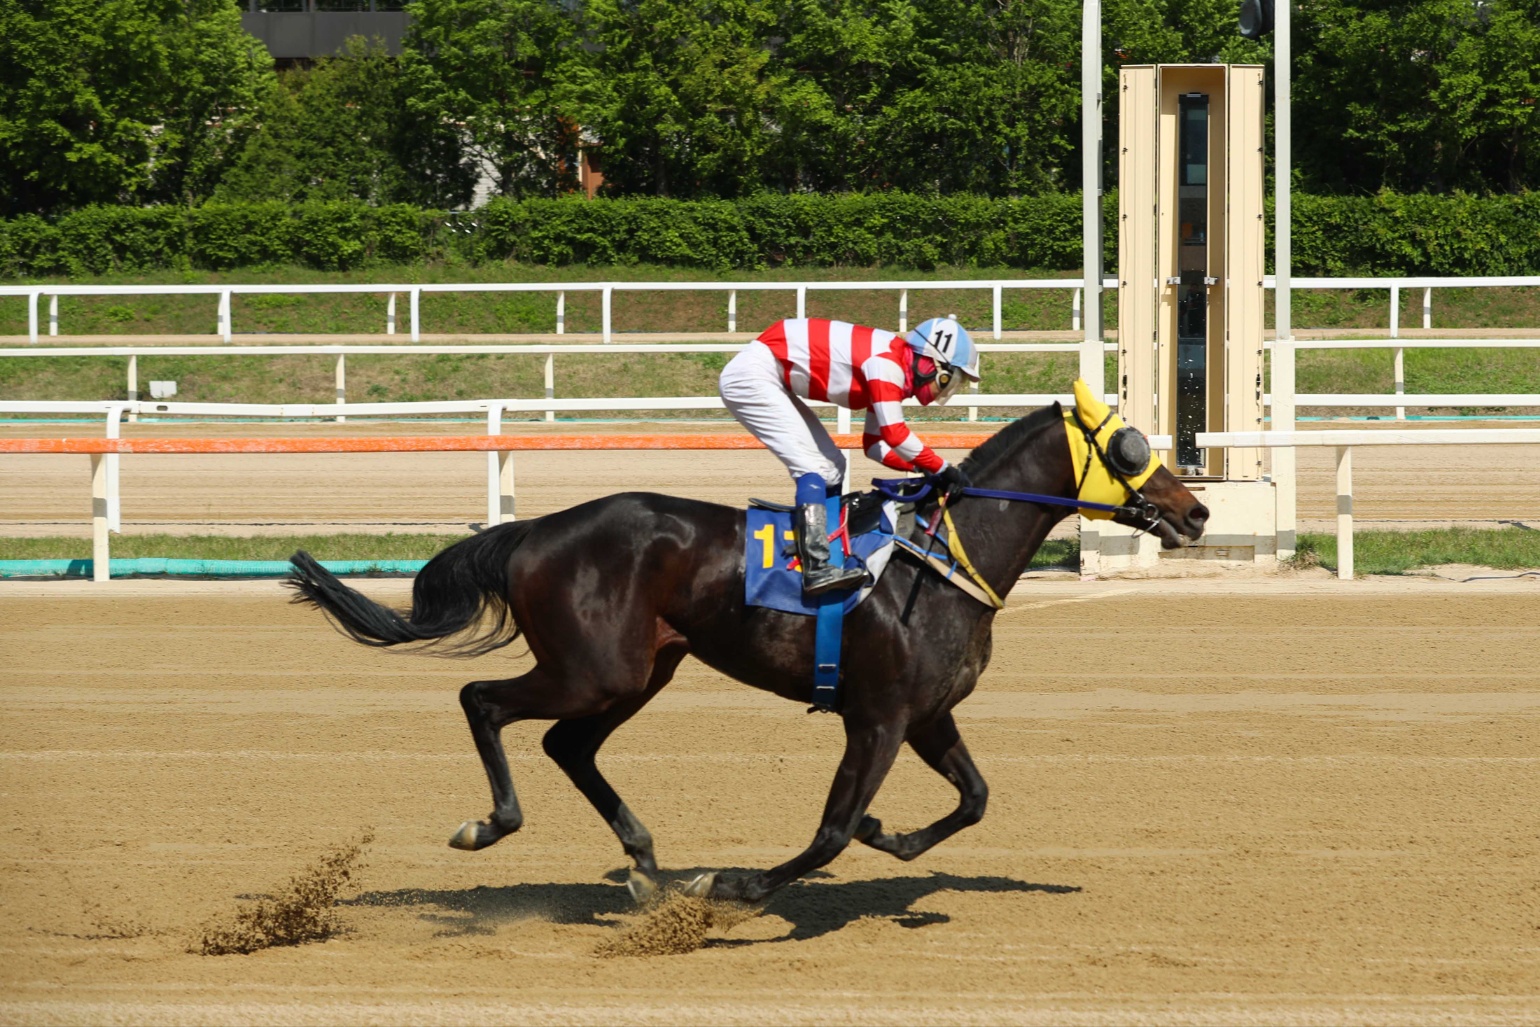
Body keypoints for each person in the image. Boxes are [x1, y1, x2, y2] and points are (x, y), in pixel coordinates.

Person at [719, 315, 981, 598]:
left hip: (768, 372)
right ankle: (816, 567)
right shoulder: (887, 364)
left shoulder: (895, 366)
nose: (947, 388)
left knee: (833, 466)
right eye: (951, 379)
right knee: (816, 467)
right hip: (753, 375)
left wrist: (923, 467)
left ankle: (825, 549)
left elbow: (873, 444)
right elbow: (895, 435)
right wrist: (942, 469)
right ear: (934, 365)